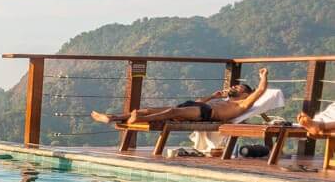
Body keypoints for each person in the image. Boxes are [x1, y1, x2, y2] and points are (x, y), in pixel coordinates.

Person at [90, 67, 269, 125]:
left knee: (172, 111)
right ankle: (113, 117)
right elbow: (198, 104)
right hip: (199, 107)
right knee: (149, 109)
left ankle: (139, 120)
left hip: (206, 114)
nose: (234, 87)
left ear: (245, 92)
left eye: (237, 86)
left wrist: (263, 77)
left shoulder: (244, 103)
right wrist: (211, 96)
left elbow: (260, 91)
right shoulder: (225, 100)